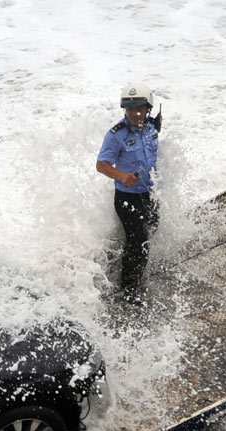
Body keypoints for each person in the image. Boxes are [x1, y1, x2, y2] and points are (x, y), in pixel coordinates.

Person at [96, 83, 160, 304]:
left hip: (149, 193)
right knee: (138, 240)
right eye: (129, 109)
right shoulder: (116, 135)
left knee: (151, 229)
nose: (134, 113)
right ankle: (128, 289)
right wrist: (122, 176)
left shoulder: (152, 128)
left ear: (147, 108)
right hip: (127, 198)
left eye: (139, 108)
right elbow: (101, 164)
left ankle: (133, 270)